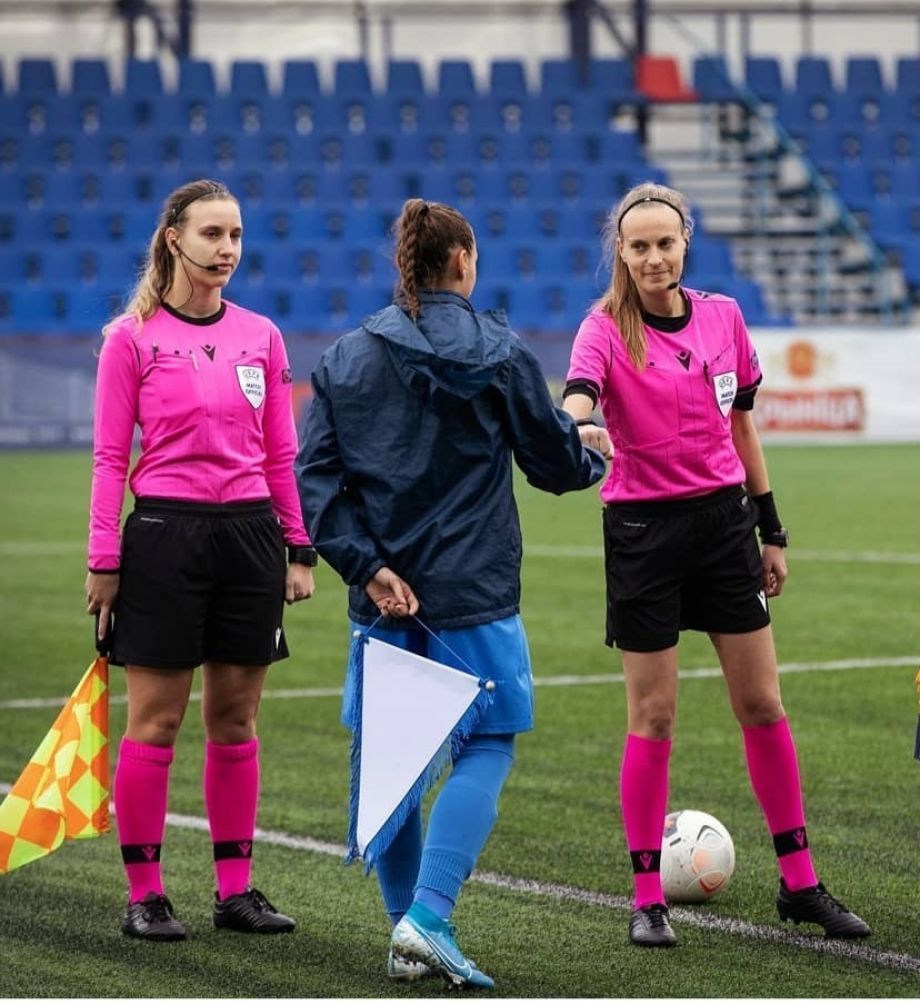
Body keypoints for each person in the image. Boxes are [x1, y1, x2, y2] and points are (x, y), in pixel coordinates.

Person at [296, 198, 607, 989]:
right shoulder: (498, 351)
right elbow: (553, 463)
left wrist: (366, 567)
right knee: (491, 739)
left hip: (383, 598)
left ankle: (405, 934)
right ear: (463, 261)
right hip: (474, 594)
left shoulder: (343, 357)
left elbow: (316, 482)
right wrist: (591, 449)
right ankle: (427, 918)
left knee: (391, 766)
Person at [561, 182, 870, 949]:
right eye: (639, 247)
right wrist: (571, 425)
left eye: (666, 243)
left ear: (685, 241)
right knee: (654, 714)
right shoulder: (602, 329)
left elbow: (743, 430)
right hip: (641, 533)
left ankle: (801, 884)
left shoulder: (725, 317)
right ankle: (646, 897)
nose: (654, 258)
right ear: (621, 254)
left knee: (762, 704)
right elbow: (576, 398)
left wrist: (772, 530)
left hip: (725, 528)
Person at [84, 178, 316, 941]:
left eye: (237, 236)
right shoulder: (132, 337)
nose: (227, 250)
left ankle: (235, 892)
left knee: (236, 718)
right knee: (155, 720)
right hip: (163, 539)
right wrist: (104, 558)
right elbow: (111, 455)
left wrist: (297, 546)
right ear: (174, 239)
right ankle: (145, 895)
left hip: (249, 538)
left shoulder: (262, 336)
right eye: (212, 234)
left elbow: (281, 452)